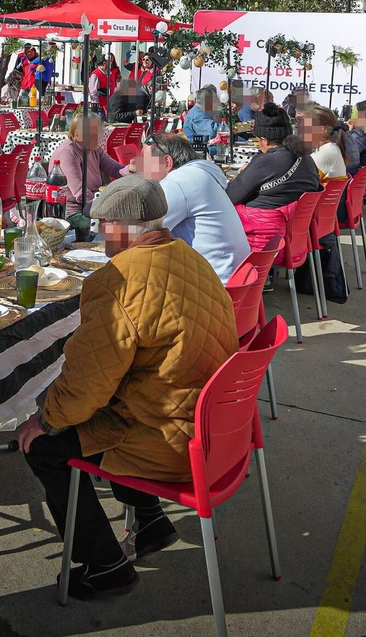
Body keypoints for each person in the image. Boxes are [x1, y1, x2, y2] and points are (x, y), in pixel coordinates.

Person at [16, 174, 237, 599]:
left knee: (44, 445)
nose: (101, 236)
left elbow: (85, 386)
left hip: (169, 436)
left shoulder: (116, 281)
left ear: (119, 229)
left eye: (103, 228)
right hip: (210, 426)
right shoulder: (190, 257)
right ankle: (151, 520)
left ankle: (105, 564)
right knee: (108, 409)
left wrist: (43, 419)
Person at [132, 133, 250, 278]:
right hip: (232, 275)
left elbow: (144, 233)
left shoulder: (179, 182)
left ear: (167, 162)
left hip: (212, 281)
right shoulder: (200, 173)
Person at [227, 103, 322, 254]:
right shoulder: (307, 159)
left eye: (258, 140)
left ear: (264, 139)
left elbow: (230, 197)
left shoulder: (265, 162)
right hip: (298, 239)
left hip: (264, 241)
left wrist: (242, 174)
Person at [295, 104, 348, 304]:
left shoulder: (326, 153)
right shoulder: (329, 150)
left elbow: (297, 178)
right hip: (321, 221)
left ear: (321, 129)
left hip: (309, 223)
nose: (301, 129)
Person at [55, 110, 127, 217]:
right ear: (77, 135)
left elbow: (114, 168)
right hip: (74, 212)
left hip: (93, 203)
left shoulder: (94, 148)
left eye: (98, 131)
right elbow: (80, 192)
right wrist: (105, 206)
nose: (98, 135)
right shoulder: (68, 152)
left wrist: (132, 170)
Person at [183, 85, 225, 153]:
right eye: (215, 99)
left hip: (209, 149)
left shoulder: (202, 111)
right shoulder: (197, 116)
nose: (218, 101)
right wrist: (217, 114)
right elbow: (215, 131)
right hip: (202, 153)